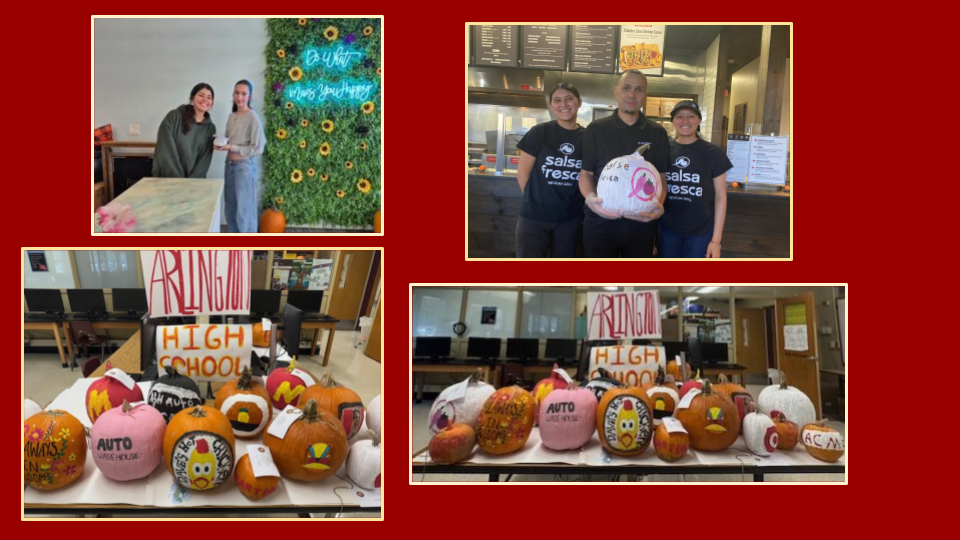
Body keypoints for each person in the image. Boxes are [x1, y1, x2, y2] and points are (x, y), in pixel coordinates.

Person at [578, 70, 669, 258]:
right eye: (626, 88)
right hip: (600, 222)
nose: (632, 94)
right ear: (616, 92)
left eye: (639, 89)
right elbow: (586, 174)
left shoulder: (657, 132)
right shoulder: (596, 129)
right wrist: (591, 201)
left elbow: (661, 178)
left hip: (642, 224)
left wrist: (657, 206)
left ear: (645, 95)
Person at [515, 83, 585, 257]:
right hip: (534, 218)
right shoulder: (540, 132)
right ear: (551, 106)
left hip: (570, 219)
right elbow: (522, 174)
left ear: (579, 102)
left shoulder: (588, 137)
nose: (564, 104)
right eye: (557, 100)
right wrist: (536, 204)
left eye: (569, 99)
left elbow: (588, 175)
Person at [658, 100, 733, 258]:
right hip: (666, 229)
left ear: (699, 121)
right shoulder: (663, 150)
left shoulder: (713, 152)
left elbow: (721, 196)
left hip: (701, 232)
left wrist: (716, 241)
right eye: (679, 116)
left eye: (691, 116)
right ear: (673, 122)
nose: (685, 121)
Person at [215, 80, 266, 233]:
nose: (239, 97)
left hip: (244, 168)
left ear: (250, 96)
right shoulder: (232, 116)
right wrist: (220, 142)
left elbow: (258, 148)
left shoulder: (253, 117)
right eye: (237, 93)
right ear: (233, 94)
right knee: (230, 208)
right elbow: (230, 139)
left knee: (245, 211)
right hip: (229, 167)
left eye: (244, 94)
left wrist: (232, 147)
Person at [153, 83, 216, 178]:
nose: (205, 100)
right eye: (201, 95)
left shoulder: (210, 128)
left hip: (194, 183)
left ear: (212, 102)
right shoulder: (174, 116)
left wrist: (191, 182)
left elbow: (204, 160)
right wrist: (179, 180)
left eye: (209, 97)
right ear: (192, 98)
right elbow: (165, 150)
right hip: (168, 177)